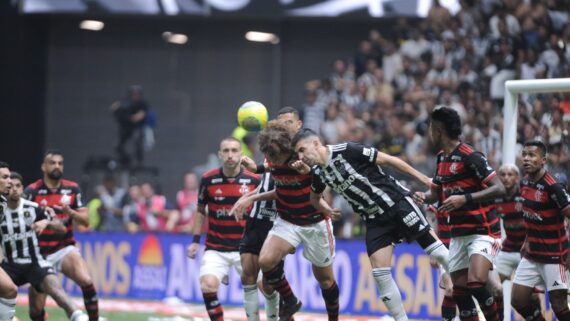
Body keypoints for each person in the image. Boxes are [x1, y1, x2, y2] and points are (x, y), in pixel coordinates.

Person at [291, 128, 450, 321]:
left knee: (439, 253)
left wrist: (425, 180)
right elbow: (314, 199)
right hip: (375, 220)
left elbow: (390, 160)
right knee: (380, 273)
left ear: (315, 143)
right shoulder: (318, 173)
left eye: (302, 150)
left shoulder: (346, 150)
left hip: (397, 204)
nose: (300, 156)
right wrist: (328, 210)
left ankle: (470, 298)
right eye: (297, 153)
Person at [232, 119, 339, 321]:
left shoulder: (303, 159)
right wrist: (252, 195)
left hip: (314, 223)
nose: (275, 162)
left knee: (325, 280)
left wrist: (310, 174)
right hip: (288, 220)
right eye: (271, 157)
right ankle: (290, 301)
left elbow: (324, 183)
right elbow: (279, 187)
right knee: (266, 261)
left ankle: (333, 318)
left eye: (278, 157)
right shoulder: (272, 158)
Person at [413, 106, 506, 321]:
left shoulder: (470, 156)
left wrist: (466, 199)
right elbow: (435, 193)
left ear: (438, 130)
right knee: (460, 293)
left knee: (475, 282)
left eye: (430, 127)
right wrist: (423, 196)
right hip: (458, 235)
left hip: (483, 231)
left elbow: (499, 187)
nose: (429, 132)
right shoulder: (441, 159)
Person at [237, 107, 305, 321]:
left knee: (268, 283)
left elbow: (284, 190)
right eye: (280, 122)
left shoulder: (299, 155)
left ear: (298, 124)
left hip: (278, 223)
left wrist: (250, 198)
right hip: (256, 220)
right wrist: (250, 192)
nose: (284, 126)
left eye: (288, 122)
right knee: (247, 274)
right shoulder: (272, 148)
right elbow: (267, 181)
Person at [186, 137, 260, 321]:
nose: (230, 155)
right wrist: (195, 241)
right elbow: (201, 211)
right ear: (220, 154)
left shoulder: (254, 180)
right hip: (216, 248)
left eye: (234, 150)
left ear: (241, 154)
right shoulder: (208, 179)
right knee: (207, 285)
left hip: (247, 249)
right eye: (226, 151)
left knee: (268, 286)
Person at [24, 150, 100, 321]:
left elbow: (86, 221)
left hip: (64, 248)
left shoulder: (72, 189)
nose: (57, 166)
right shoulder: (32, 191)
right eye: (52, 163)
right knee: (35, 310)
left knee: (86, 280)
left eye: (60, 163)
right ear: (43, 167)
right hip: (39, 254)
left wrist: (70, 212)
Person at [4, 172, 89, 321]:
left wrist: (47, 222)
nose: (15, 190)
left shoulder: (33, 208)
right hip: (9, 266)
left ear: (23, 189)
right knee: (34, 311)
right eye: (11, 186)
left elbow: (61, 228)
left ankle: (79, 317)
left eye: (18, 186)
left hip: (35, 263)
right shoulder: (1, 210)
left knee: (57, 291)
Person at [511, 141, 570, 321]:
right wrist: (526, 241)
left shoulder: (553, 186)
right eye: (525, 155)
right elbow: (532, 216)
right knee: (518, 300)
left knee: (558, 304)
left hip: (554, 255)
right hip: (532, 255)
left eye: (532, 155)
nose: (526, 159)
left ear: (543, 160)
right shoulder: (525, 183)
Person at [491, 164, 526, 320]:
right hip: (508, 248)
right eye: (502, 175)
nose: (506, 178)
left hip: (528, 252)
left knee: (529, 296)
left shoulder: (526, 196)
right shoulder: (496, 198)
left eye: (510, 174)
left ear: (517, 177)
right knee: (493, 288)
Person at [0, 162, 20, 321]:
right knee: (9, 289)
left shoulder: (2, 201)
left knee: (10, 290)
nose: (10, 182)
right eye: (5, 177)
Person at [110, 85, 148, 166]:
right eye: (134, 94)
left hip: (136, 127)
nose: (135, 95)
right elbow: (114, 109)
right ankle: (125, 160)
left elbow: (140, 116)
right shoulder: (126, 102)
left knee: (137, 141)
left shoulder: (142, 104)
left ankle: (139, 162)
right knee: (118, 146)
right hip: (126, 128)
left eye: (137, 94)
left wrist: (130, 118)